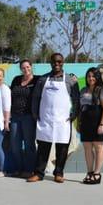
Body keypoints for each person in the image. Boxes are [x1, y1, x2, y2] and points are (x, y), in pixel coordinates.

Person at [27, 53, 80, 183]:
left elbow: (76, 99)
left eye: (59, 62)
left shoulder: (69, 80)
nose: (57, 64)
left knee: (62, 148)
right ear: (50, 63)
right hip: (45, 119)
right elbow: (35, 98)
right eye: (54, 62)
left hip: (63, 121)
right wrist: (34, 113)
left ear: (63, 63)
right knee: (43, 147)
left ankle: (59, 173)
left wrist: (74, 114)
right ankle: (39, 173)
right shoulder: (43, 79)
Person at [79, 68, 103, 185]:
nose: (91, 78)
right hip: (86, 122)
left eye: (93, 76)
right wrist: (79, 122)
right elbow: (80, 108)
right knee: (87, 147)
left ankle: (97, 174)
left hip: (98, 121)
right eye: (88, 76)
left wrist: (102, 124)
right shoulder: (83, 90)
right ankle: (90, 172)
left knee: (98, 147)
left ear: (97, 78)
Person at [9, 59, 38, 178]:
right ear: (20, 69)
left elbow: (51, 79)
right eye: (23, 68)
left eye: (28, 67)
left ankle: (29, 170)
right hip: (15, 116)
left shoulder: (37, 80)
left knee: (29, 145)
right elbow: (10, 95)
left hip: (29, 117)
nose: (26, 69)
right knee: (15, 145)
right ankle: (19, 169)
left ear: (31, 67)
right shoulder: (16, 79)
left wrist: (72, 78)